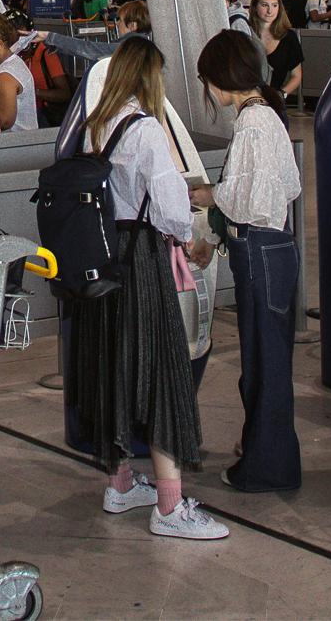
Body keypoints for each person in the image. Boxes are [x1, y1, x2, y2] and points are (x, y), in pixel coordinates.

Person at [66, 36, 229, 540]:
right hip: (142, 260)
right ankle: (170, 506)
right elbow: (172, 208)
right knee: (161, 372)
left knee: (116, 367)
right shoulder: (147, 131)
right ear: (148, 77)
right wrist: (190, 239)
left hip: (105, 258)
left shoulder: (99, 126)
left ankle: (119, 484)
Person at [187, 30, 302, 492]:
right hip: (270, 249)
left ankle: (266, 467)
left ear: (220, 79)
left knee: (265, 364)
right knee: (264, 360)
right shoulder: (266, 115)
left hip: (259, 251)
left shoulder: (253, 123)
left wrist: (208, 194)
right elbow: (287, 186)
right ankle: (264, 450)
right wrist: (215, 233)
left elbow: (244, 198)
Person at [38, 0, 151, 64]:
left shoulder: (132, 48)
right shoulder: (144, 45)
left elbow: (89, 48)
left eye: (120, 20)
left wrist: (50, 37)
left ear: (133, 25)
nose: (117, 23)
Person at [250, 0, 303, 102]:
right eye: (265, 5)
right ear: (255, 7)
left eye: (274, 5)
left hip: (274, 102)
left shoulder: (289, 37)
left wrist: (280, 95)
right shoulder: (246, 34)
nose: (270, 11)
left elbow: (297, 76)